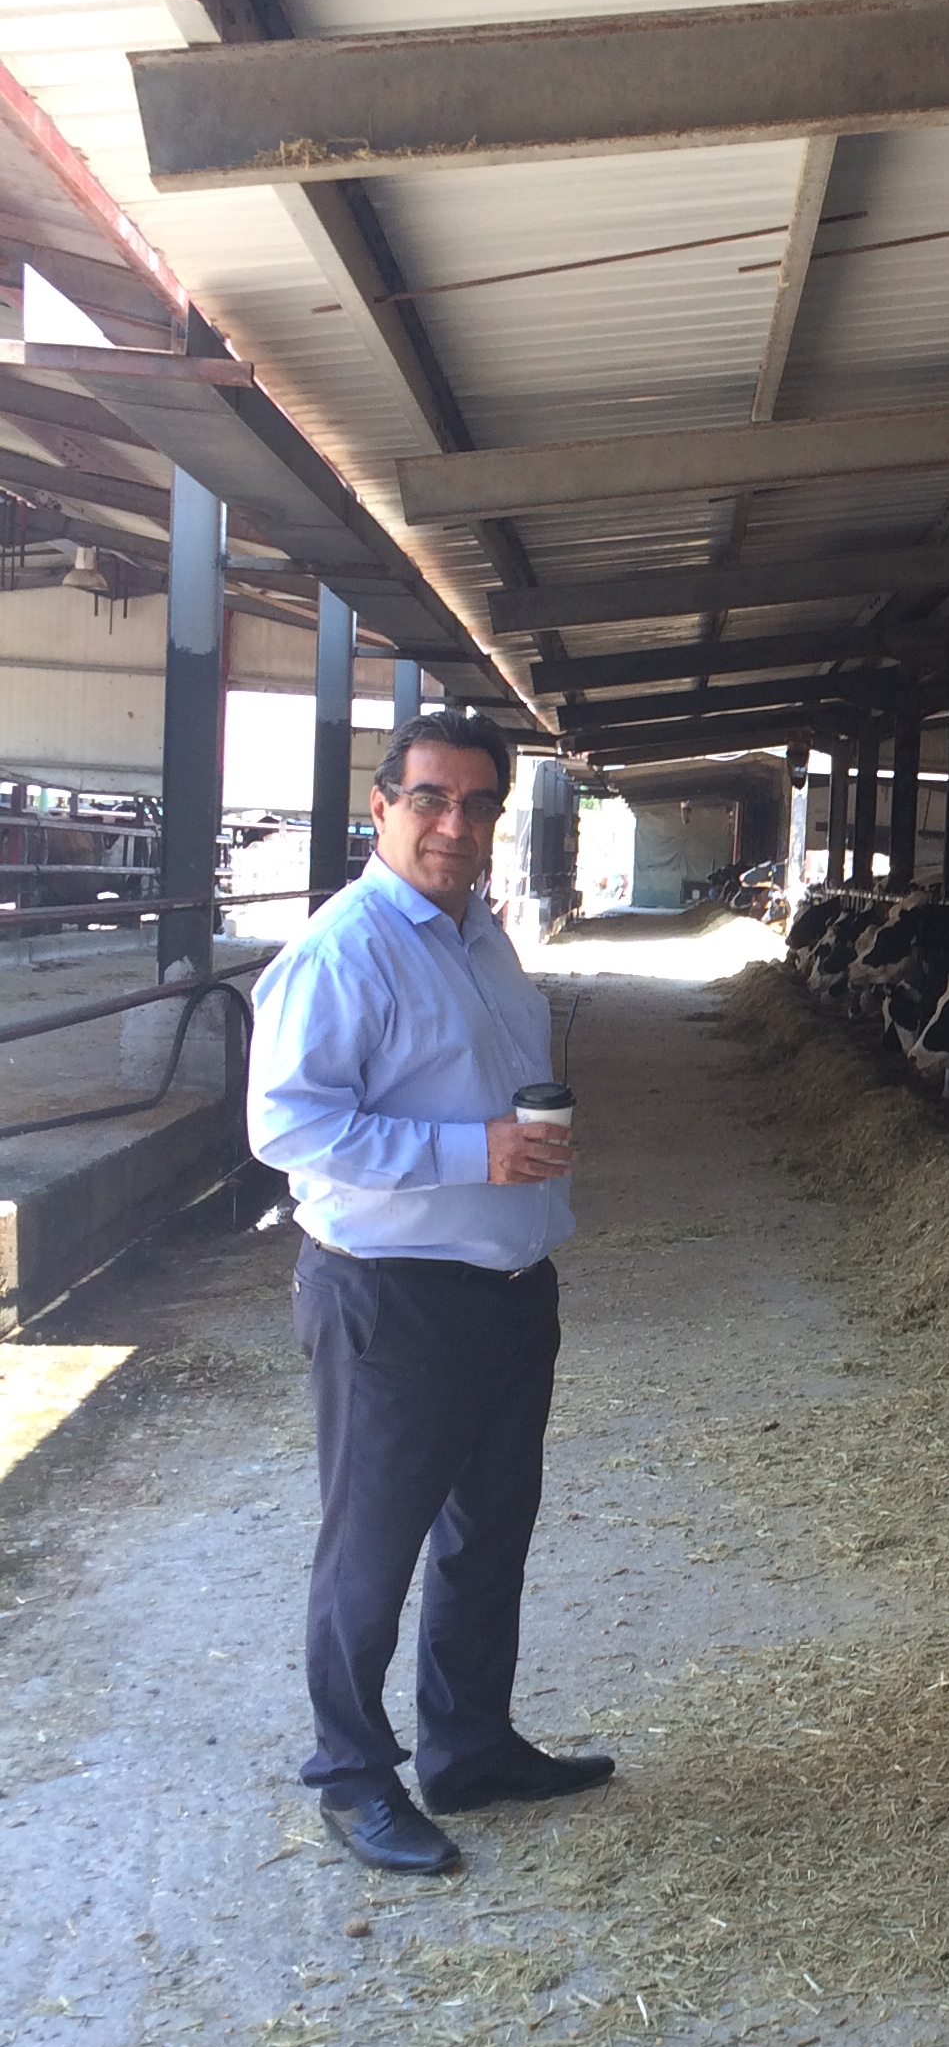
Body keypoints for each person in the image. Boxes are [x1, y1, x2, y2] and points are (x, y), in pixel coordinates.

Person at [248, 707, 611, 1877]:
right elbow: (287, 1127)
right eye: (430, 799)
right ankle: (351, 1777)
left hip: (505, 1288)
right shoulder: (344, 948)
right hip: (391, 1297)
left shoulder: (478, 935)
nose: (456, 823)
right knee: (372, 1547)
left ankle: (468, 1746)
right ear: (382, 808)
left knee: (486, 1532)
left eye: (478, 803)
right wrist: (474, 1152)